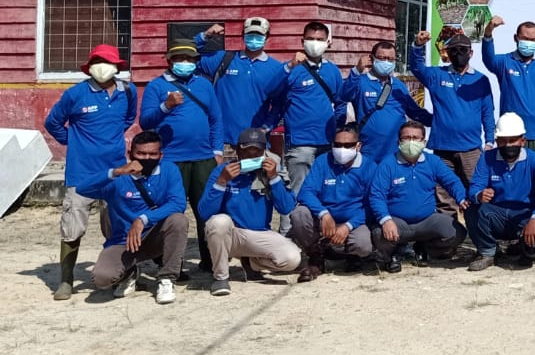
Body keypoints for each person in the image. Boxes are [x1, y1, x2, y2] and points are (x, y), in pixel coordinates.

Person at [43, 44, 137, 300]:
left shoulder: (128, 92)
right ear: (89, 67)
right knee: (72, 225)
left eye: (107, 62)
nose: (102, 67)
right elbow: (52, 123)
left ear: (118, 66)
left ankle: (123, 272)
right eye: (97, 61)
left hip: (117, 171)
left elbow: (127, 120)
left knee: (117, 224)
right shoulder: (75, 94)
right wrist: (74, 142)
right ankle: (66, 279)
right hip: (81, 173)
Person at [140, 39, 224, 275]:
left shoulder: (205, 85)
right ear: (169, 61)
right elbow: (145, 122)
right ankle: (169, 264)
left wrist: (217, 151)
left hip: (203, 158)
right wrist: (165, 106)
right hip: (170, 160)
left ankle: (209, 261)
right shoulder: (156, 86)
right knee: (171, 212)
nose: (184, 63)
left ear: (196, 62)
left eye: (189, 59)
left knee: (206, 211)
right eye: (179, 59)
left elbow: (216, 119)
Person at [84, 131, 190, 305]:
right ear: (130, 153)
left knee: (178, 219)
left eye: (152, 154)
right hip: (124, 241)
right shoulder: (120, 176)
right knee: (102, 280)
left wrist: (143, 219)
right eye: (141, 153)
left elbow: (178, 204)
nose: (147, 158)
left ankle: (167, 278)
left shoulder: (169, 169)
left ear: (160, 155)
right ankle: (129, 272)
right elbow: (83, 188)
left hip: (155, 236)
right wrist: (117, 171)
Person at [197, 128, 302, 296]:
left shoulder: (271, 173)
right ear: (238, 151)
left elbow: (286, 208)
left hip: (258, 234)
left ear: (264, 152)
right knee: (218, 222)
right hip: (230, 235)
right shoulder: (222, 171)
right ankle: (221, 277)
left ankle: (251, 263)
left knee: (292, 258)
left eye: (257, 152)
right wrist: (222, 181)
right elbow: (204, 212)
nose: (251, 156)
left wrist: (274, 178)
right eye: (246, 151)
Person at [368, 120, 469, 273]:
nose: (411, 142)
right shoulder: (387, 164)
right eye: (406, 138)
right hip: (397, 221)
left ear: (424, 141)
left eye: (416, 138)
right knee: (379, 234)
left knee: (457, 233)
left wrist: (461, 198)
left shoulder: (432, 161)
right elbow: (376, 195)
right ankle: (392, 255)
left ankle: (423, 249)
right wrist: (385, 219)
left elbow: (452, 181)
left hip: (427, 220)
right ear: (399, 141)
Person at [410, 33, 495, 204]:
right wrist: (418, 46)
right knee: (444, 196)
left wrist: (490, 141)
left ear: (470, 53)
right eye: (453, 51)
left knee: (476, 192)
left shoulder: (481, 80)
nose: (458, 54)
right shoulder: (436, 75)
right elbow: (417, 68)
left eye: (462, 50)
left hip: (471, 149)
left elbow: (487, 112)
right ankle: (449, 230)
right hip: (443, 149)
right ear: (447, 54)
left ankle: (475, 229)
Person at [464, 113, 535, 271]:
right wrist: (479, 195)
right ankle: (488, 253)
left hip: (525, 214)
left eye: (513, 140)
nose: (508, 145)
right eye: (503, 141)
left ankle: (527, 250)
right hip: (496, 213)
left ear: (523, 141)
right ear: (497, 141)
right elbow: (474, 187)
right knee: (472, 209)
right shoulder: (487, 158)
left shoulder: (534, 159)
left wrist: (534, 220)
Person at [267, 21, 345, 202]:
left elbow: (340, 101)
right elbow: (271, 91)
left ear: (327, 42)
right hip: (300, 143)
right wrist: (290, 66)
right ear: (302, 41)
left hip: (327, 142)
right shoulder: (291, 69)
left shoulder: (332, 70)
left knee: (325, 190)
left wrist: (339, 127)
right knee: (297, 191)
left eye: (319, 39)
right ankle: (290, 229)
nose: (315, 43)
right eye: (310, 39)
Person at [287, 123, 376, 282]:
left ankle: (352, 257)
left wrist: (348, 226)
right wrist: (323, 214)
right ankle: (316, 256)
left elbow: (371, 204)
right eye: (337, 145)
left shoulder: (369, 166)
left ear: (358, 146)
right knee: (299, 214)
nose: (342, 149)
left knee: (363, 245)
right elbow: (306, 192)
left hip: (353, 221)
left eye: (348, 145)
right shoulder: (323, 161)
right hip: (324, 219)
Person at [194, 18, 287, 150]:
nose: (254, 38)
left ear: (267, 37)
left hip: (255, 144)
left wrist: (265, 129)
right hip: (221, 144)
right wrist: (205, 36)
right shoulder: (223, 59)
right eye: (250, 34)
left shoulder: (276, 68)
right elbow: (183, 54)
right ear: (243, 35)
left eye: (259, 34)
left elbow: (279, 105)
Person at [481, 17, 535, 159]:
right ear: (516, 38)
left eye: (533, 40)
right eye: (525, 38)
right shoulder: (505, 62)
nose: (529, 43)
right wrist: (488, 32)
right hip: (512, 135)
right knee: (512, 178)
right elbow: (489, 59)